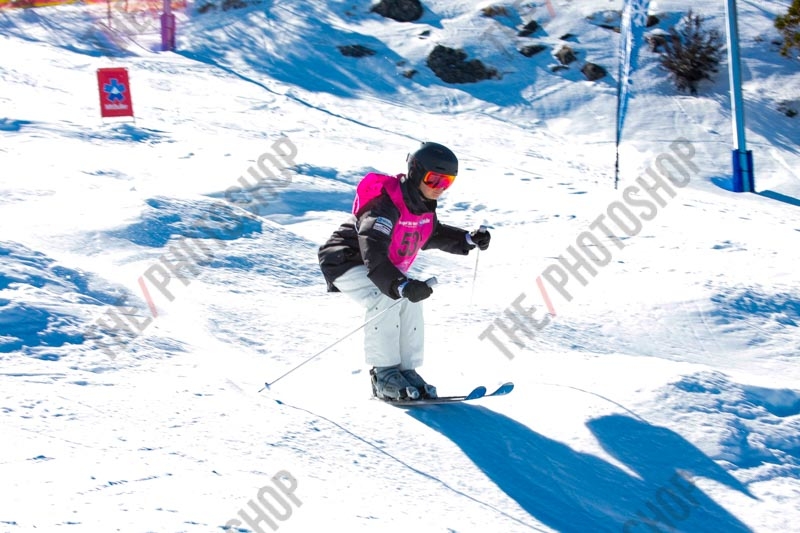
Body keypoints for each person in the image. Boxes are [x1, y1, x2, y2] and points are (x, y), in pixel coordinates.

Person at [317, 141, 491, 401]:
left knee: (410, 300)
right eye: (434, 179)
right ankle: (384, 374)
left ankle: (406, 371)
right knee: (386, 297)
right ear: (416, 172)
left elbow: (430, 233)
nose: (439, 188)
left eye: (447, 182)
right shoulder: (385, 205)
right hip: (345, 259)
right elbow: (373, 246)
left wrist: (467, 239)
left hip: (377, 265)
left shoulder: (422, 205)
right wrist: (399, 284)